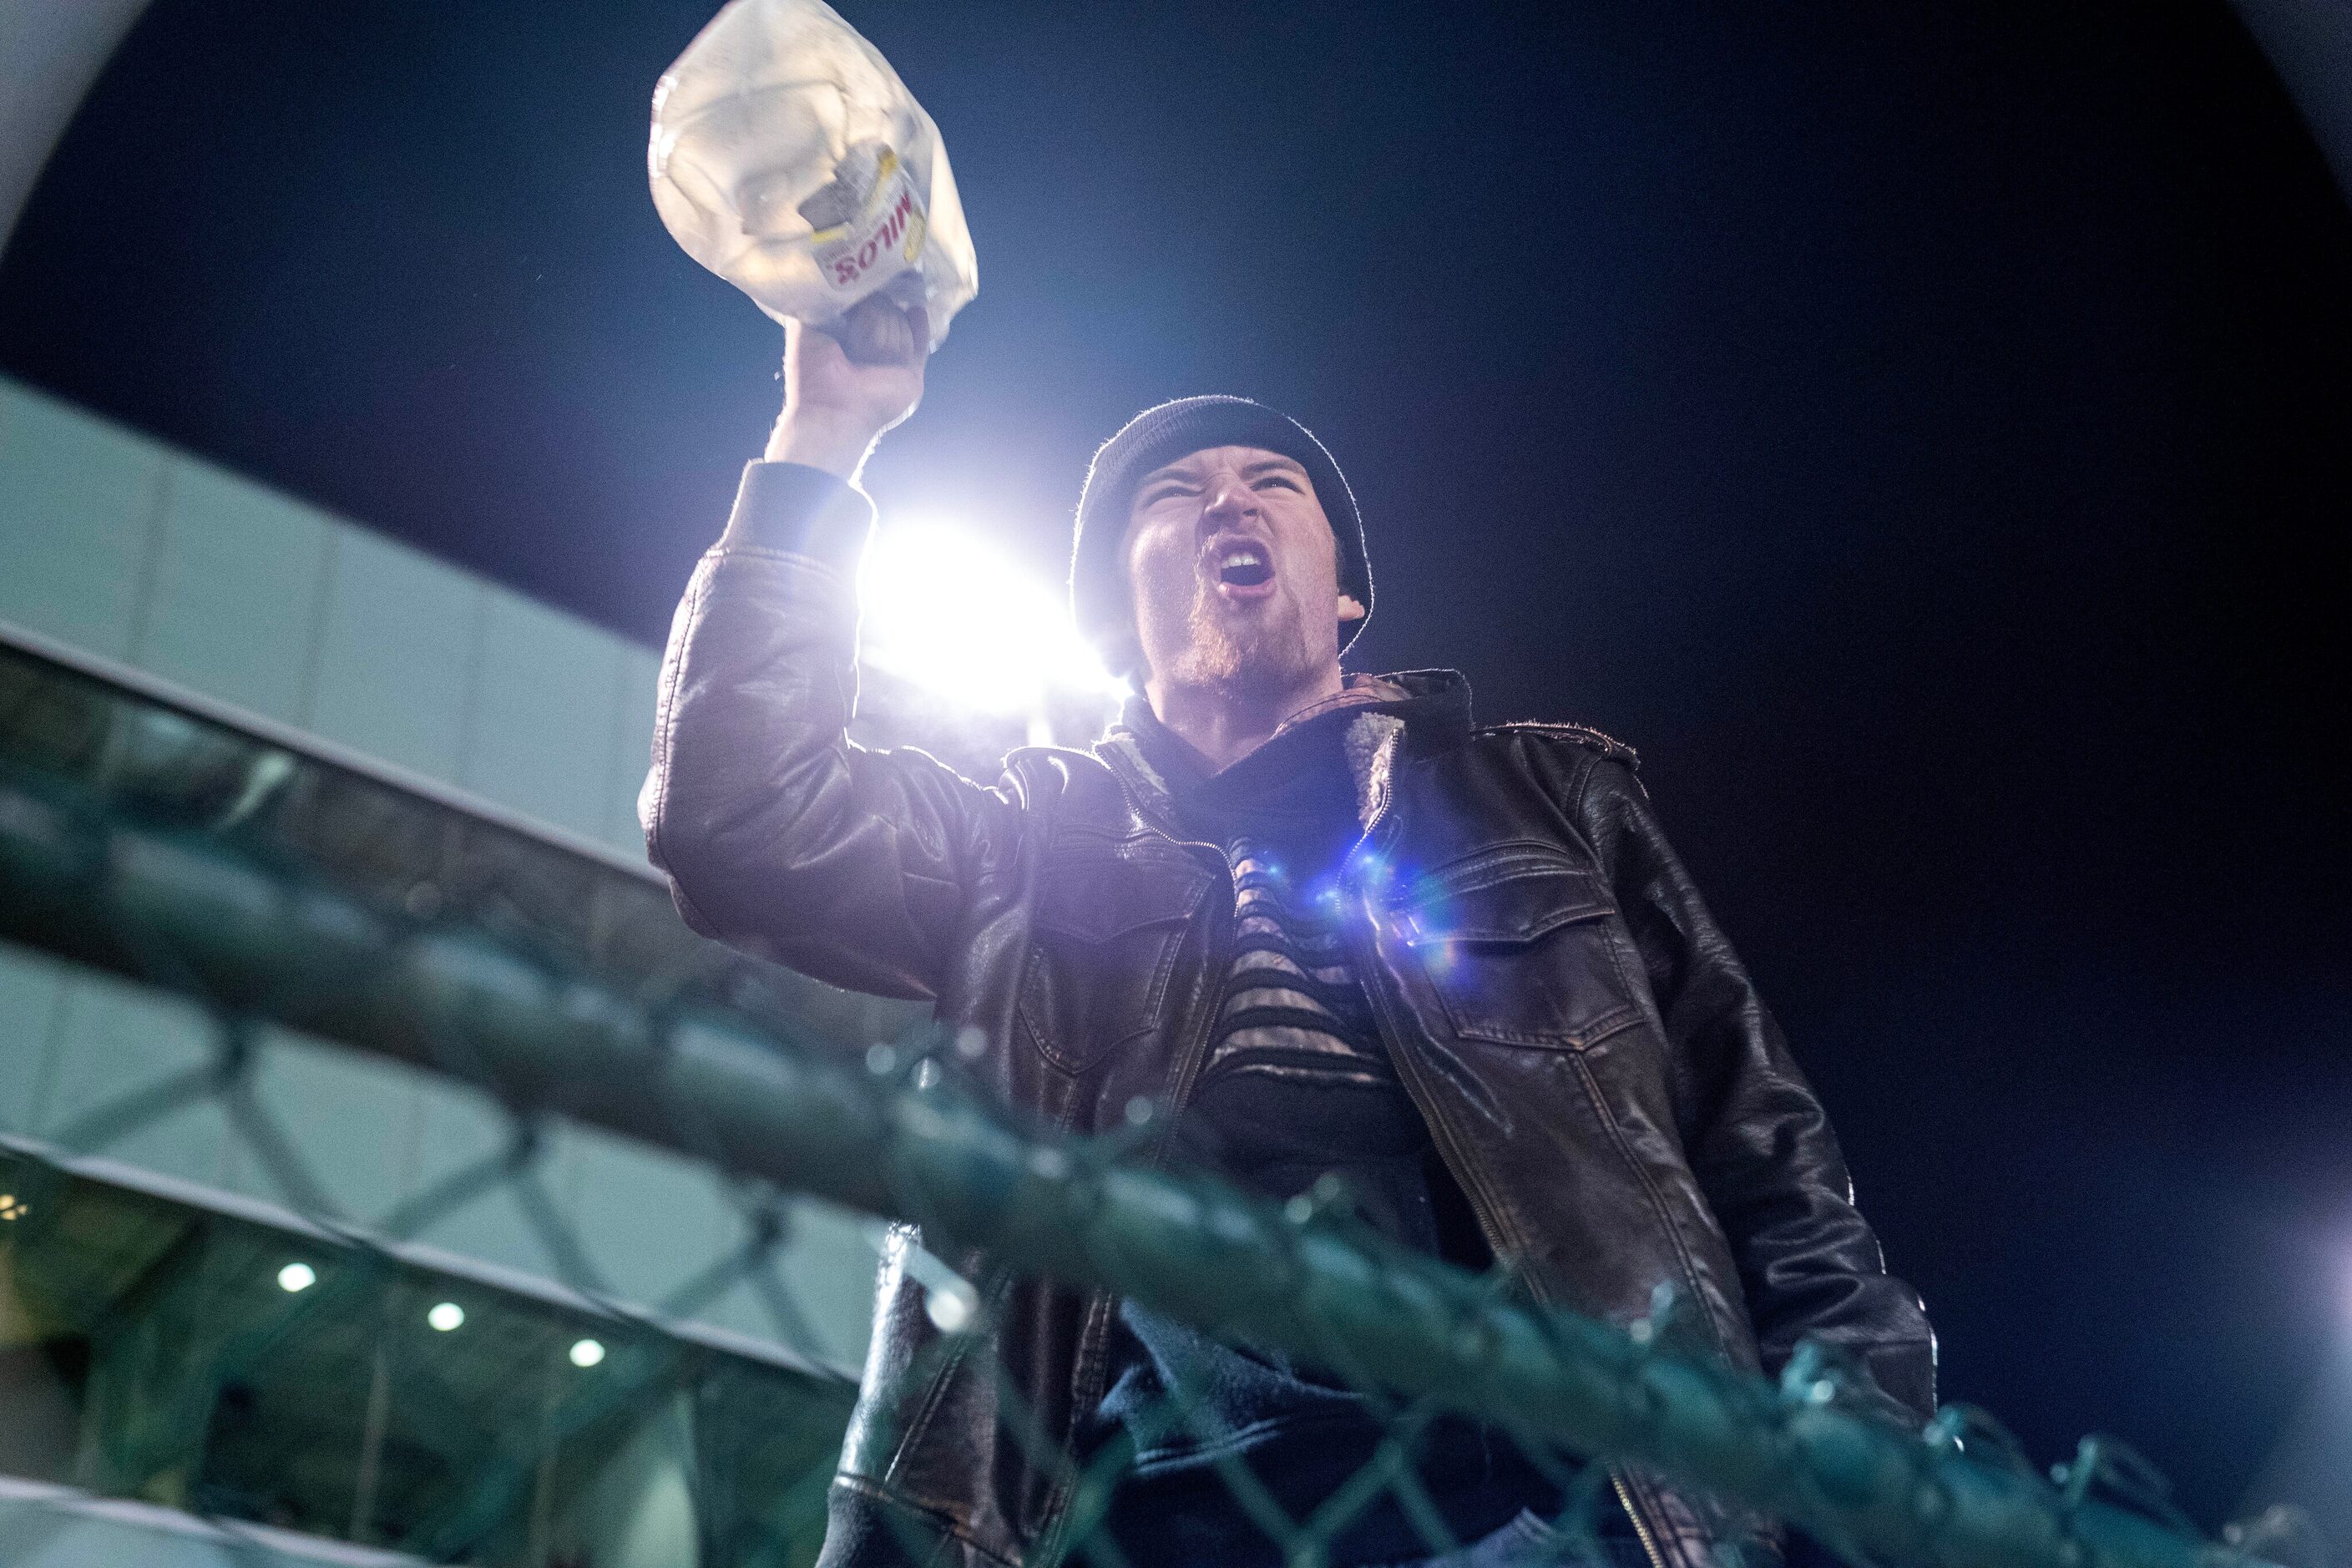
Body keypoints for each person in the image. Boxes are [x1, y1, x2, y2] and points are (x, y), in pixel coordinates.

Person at [641, 297, 1937, 1568]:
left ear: (1346, 596)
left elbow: (1768, 1159)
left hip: (1561, 1514)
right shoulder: (1027, 837)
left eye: (1274, 484)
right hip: (1138, 1520)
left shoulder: (1549, 798)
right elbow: (738, 817)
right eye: (1172, 492)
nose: (1228, 502)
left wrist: (1842, 1491)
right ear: (1109, 614)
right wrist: (826, 433)